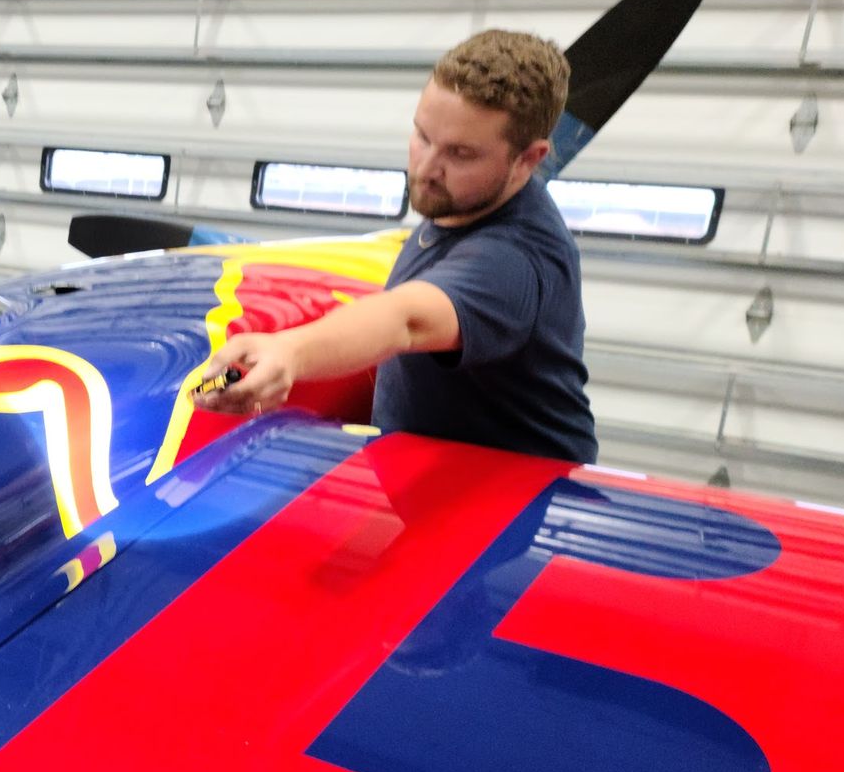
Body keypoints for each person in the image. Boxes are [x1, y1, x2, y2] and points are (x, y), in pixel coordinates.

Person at [193, 30, 596, 464]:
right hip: (438, 480)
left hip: (516, 509)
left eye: (460, 153)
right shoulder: (464, 200)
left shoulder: (512, 261)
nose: (425, 168)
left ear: (529, 160)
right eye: (423, 135)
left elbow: (406, 319)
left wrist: (290, 351)